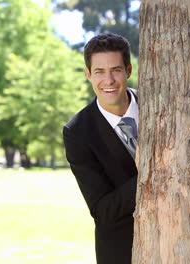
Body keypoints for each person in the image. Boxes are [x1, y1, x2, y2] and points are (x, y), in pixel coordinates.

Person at [63, 32, 138, 264]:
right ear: (88, 75)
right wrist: (151, 172)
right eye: (99, 72)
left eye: (116, 70)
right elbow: (102, 211)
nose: (109, 80)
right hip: (121, 251)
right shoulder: (77, 132)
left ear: (129, 70)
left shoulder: (162, 104)